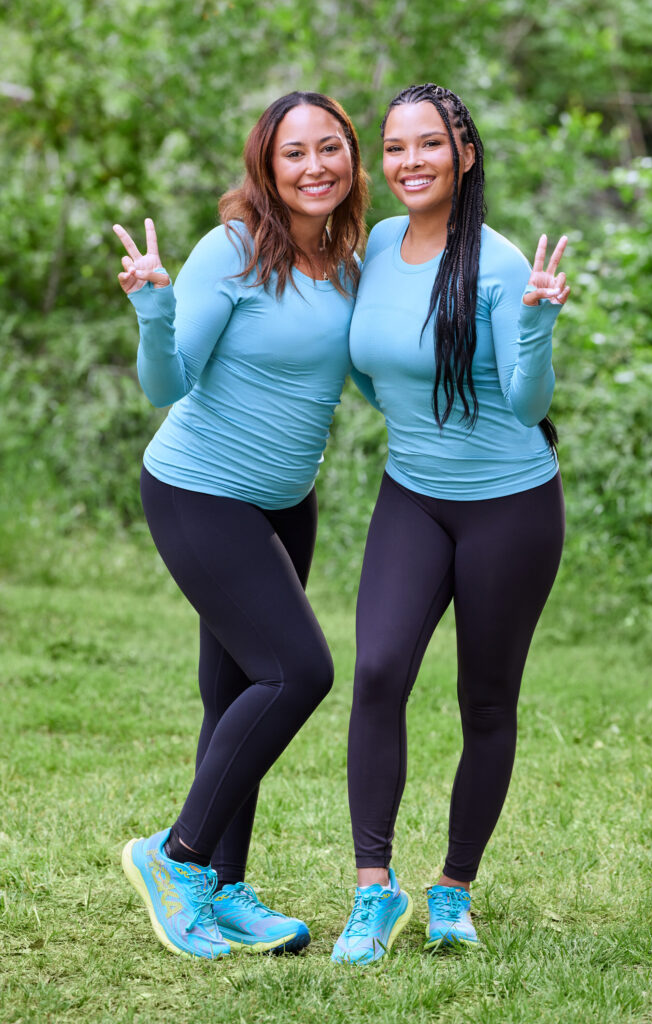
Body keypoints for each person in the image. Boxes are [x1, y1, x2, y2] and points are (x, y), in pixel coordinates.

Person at [113, 91, 369, 960]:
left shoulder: (347, 262)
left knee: (234, 697)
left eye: (329, 148)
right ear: (265, 166)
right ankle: (173, 857)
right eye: (293, 153)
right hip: (199, 492)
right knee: (298, 671)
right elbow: (166, 382)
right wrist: (153, 306)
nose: (314, 166)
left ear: (350, 159)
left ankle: (221, 891)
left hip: (285, 501)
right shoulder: (229, 252)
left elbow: (371, 382)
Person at [331, 83, 570, 964]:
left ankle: (453, 889)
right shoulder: (380, 245)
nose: (408, 164)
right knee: (379, 670)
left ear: (463, 155)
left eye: (427, 145)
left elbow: (524, 398)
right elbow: (369, 364)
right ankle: (371, 889)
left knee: (485, 701)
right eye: (393, 148)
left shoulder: (503, 264)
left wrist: (537, 326)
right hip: (413, 496)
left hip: (510, 506)